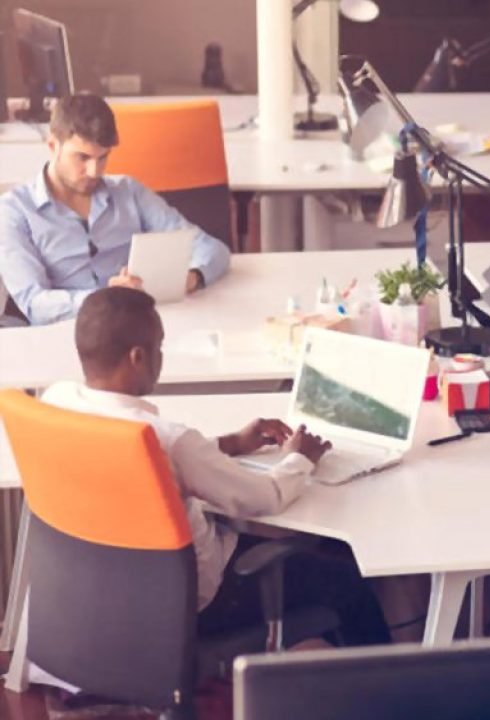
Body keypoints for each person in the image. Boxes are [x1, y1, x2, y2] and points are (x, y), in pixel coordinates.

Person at [40, 287, 390, 647]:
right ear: (137, 357)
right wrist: (301, 457)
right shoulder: (168, 440)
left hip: (104, 591)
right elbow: (263, 498)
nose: (162, 356)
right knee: (347, 582)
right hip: (197, 599)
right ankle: (394, 698)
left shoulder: (55, 404)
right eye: (159, 347)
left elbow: (163, 462)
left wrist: (232, 443)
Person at [0, 94, 231, 326]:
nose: (94, 171)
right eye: (83, 157)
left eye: (103, 158)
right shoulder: (14, 210)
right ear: (52, 146)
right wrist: (105, 298)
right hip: (67, 332)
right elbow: (34, 304)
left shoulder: (128, 191)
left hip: (133, 327)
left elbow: (212, 249)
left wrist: (192, 277)